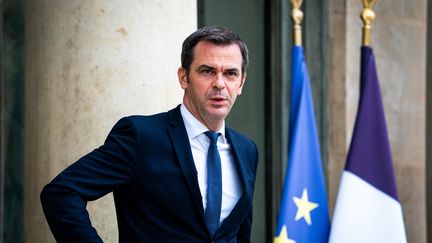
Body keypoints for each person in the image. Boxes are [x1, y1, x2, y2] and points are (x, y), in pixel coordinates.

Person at [40, 26, 259, 243]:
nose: (219, 84)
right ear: (184, 78)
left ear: (241, 82)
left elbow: (238, 233)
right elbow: (62, 193)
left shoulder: (246, 149)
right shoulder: (141, 137)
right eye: (207, 71)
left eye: (230, 73)